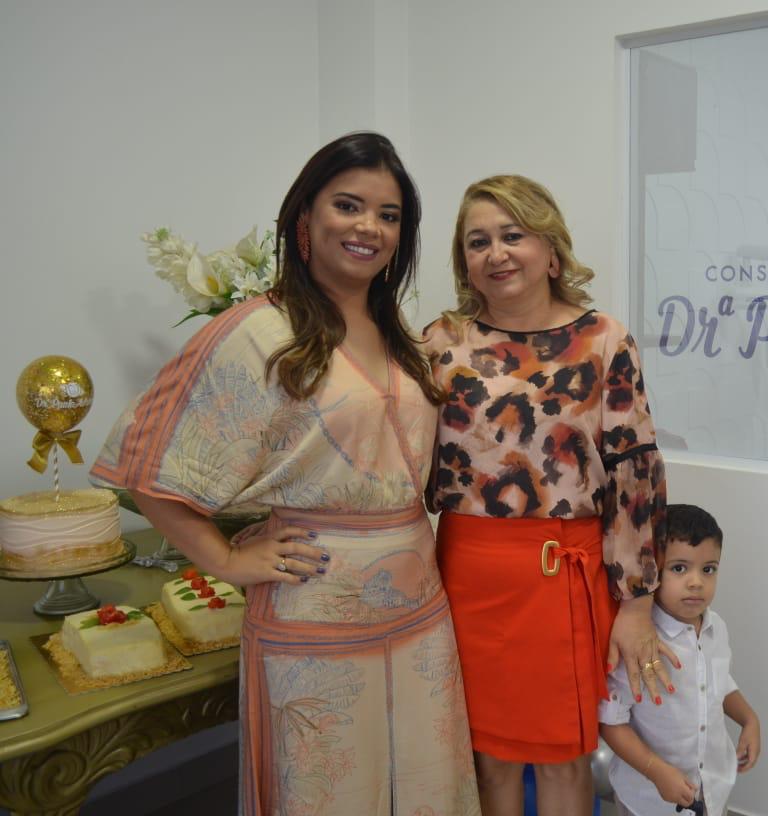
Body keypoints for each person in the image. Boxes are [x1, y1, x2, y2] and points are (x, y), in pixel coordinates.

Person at [90, 132, 480, 815]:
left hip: (420, 613)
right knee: (327, 793)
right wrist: (224, 559)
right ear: (305, 217)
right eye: (348, 205)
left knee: (428, 785)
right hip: (313, 616)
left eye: (388, 215)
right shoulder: (258, 333)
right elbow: (150, 465)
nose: (368, 227)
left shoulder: (398, 332)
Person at [423, 174, 674, 815]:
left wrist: (636, 603)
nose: (496, 253)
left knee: (565, 754)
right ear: (464, 262)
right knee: (487, 758)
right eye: (478, 241)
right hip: (466, 575)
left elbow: (635, 475)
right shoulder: (440, 342)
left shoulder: (604, 339)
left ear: (550, 249)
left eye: (513, 235)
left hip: (562, 573)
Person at [599, 504, 761, 816]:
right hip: (649, 801)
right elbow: (610, 720)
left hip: (711, 790)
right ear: (652, 571)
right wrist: (655, 770)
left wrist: (749, 719)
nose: (696, 582)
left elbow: (719, 683)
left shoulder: (716, 628)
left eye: (708, 569)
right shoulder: (639, 642)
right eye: (679, 568)